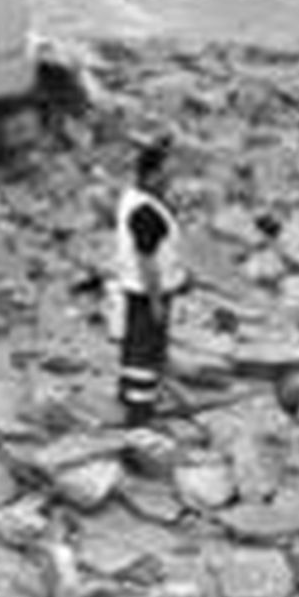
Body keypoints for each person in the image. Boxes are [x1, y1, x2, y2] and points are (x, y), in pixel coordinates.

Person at [114, 133, 186, 428]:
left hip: (136, 287)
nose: (171, 180)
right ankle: (140, 414)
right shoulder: (145, 211)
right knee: (146, 349)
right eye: (166, 174)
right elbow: (147, 260)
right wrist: (156, 300)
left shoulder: (135, 198)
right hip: (148, 290)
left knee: (134, 344)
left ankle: (127, 394)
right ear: (152, 175)